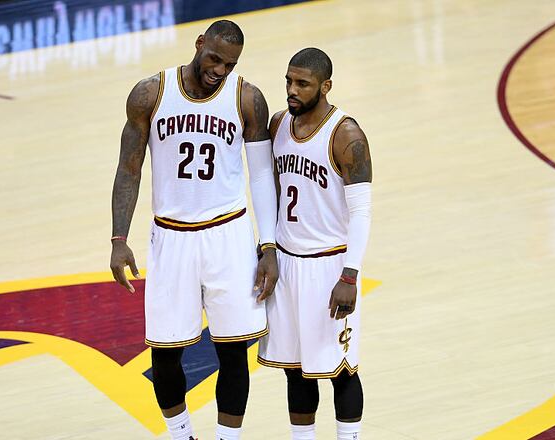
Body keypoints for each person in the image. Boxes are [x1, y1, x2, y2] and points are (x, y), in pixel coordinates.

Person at [109, 20, 278, 440]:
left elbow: (261, 177)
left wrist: (269, 244)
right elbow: (130, 167)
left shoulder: (247, 98)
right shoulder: (150, 93)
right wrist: (118, 238)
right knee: (166, 356)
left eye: (229, 63)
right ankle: (181, 434)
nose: (219, 70)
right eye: (215, 58)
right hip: (171, 236)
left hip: (228, 235)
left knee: (234, 352)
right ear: (199, 44)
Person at [257, 47, 373, 440]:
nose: (291, 90)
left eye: (302, 84)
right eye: (288, 81)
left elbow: (362, 214)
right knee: (295, 368)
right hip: (288, 264)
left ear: (325, 86)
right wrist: (267, 250)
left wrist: (350, 276)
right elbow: (272, 193)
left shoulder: (347, 135)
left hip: (329, 266)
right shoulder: (277, 126)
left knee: (341, 370)